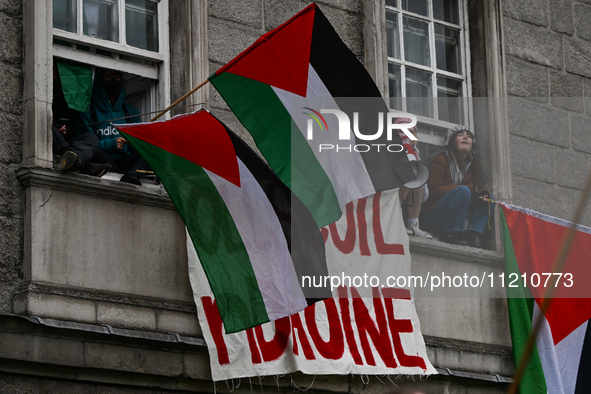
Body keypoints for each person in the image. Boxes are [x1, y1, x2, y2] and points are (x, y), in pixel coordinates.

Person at [419, 125, 491, 247]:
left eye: (469, 136)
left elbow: (468, 192)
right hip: (432, 217)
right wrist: (459, 190)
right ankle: (451, 232)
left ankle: (473, 233)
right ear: (451, 141)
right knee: (463, 190)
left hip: (458, 214)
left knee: (489, 200)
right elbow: (432, 191)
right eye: (460, 135)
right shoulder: (441, 161)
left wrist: (477, 196)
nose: (465, 137)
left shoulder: (472, 167)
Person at [83, 68, 150, 185]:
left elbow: (138, 147)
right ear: (99, 81)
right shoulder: (89, 110)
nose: (114, 80)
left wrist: (133, 141)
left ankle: (133, 174)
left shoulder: (130, 112)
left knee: (151, 150)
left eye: (117, 77)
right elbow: (84, 142)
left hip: (125, 161)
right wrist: (112, 144)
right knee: (96, 151)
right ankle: (124, 178)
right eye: (108, 76)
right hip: (102, 162)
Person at [52, 72, 111, 178]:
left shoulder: (62, 97)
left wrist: (62, 131)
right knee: (47, 125)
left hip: (62, 143)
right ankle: (84, 167)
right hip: (48, 145)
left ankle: (77, 162)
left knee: (91, 137)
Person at [395, 118, 431, 239]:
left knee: (415, 178)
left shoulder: (416, 153)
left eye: (410, 132)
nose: (406, 135)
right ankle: (394, 221)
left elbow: (424, 196)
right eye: (401, 131)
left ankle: (413, 224)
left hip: (406, 196)